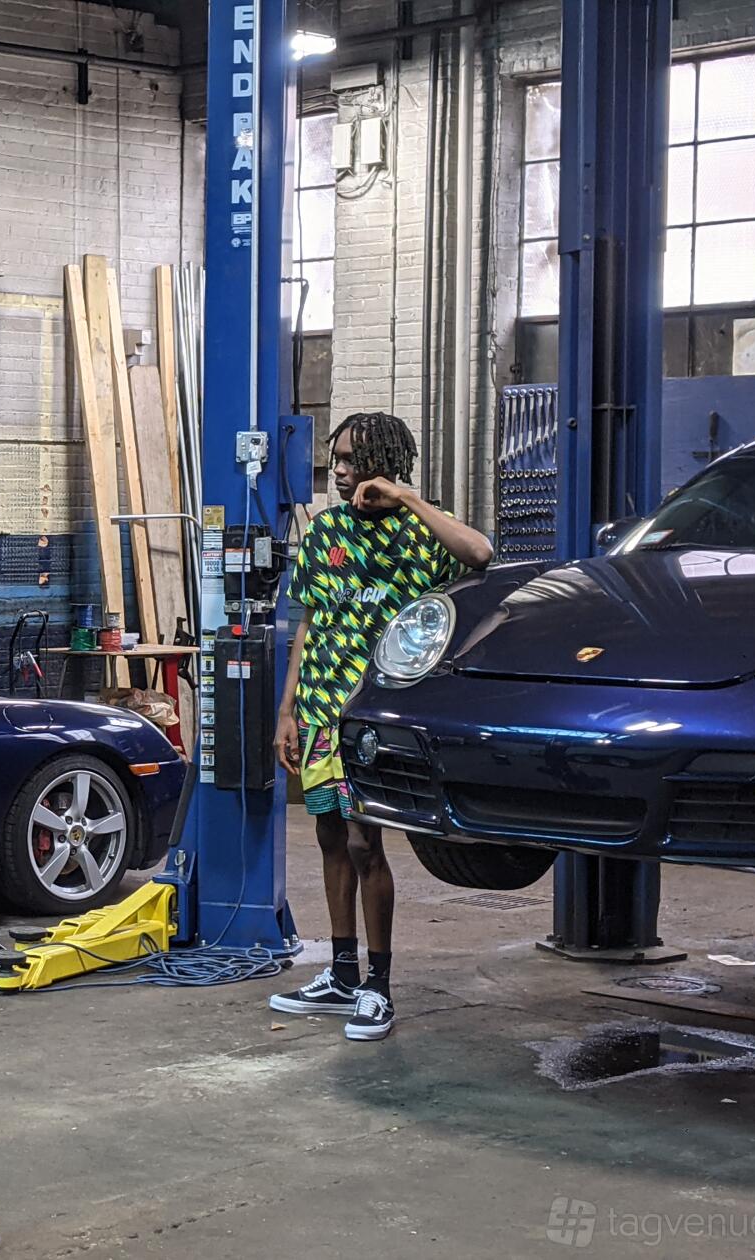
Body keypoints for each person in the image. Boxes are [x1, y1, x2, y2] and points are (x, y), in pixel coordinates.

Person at [269, 413, 492, 1042]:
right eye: (334, 460)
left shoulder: (422, 531)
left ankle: (380, 985)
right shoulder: (324, 533)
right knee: (331, 840)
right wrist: (287, 712)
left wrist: (408, 497)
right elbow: (308, 626)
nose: (337, 472)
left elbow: (481, 554)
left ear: (384, 464)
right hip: (318, 711)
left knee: (369, 845)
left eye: (349, 461)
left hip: (376, 716)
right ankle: (342, 974)